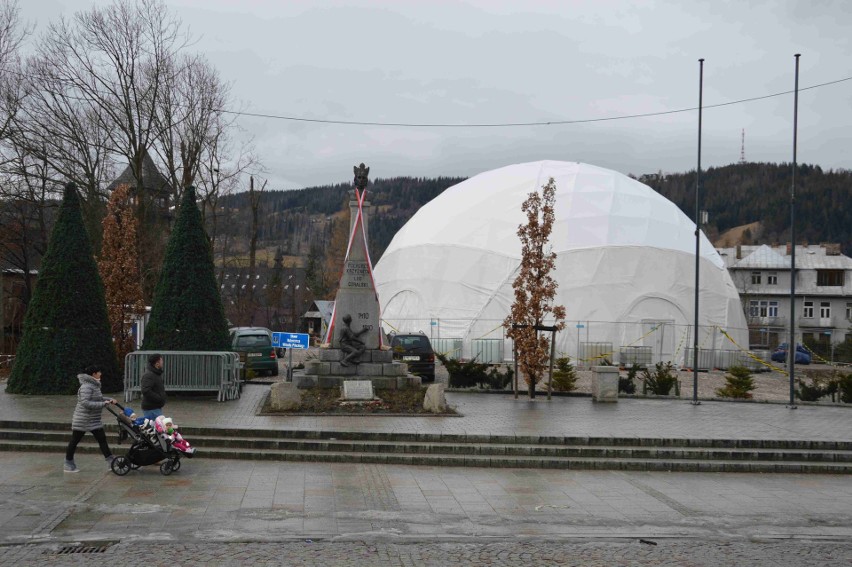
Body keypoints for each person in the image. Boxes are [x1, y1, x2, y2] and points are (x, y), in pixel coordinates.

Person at [64, 365, 117, 473]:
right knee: (75, 440)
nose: (100, 374)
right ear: (93, 374)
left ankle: (111, 462)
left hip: (93, 419)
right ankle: (68, 464)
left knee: (102, 439)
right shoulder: (86, 386)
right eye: (99, 372)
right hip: (83, 419)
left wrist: (109, 399)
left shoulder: (94, 385)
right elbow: (85, 403)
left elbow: (98, 398)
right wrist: (103, 404)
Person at [140, 353, 166, 420]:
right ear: (157, 363)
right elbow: (145, 390)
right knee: (160, 428)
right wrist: (158, 398)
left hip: (155, 407)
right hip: (151, 408)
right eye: (161, 360)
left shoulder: (156, 374)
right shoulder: (149, 375)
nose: (162, 362)